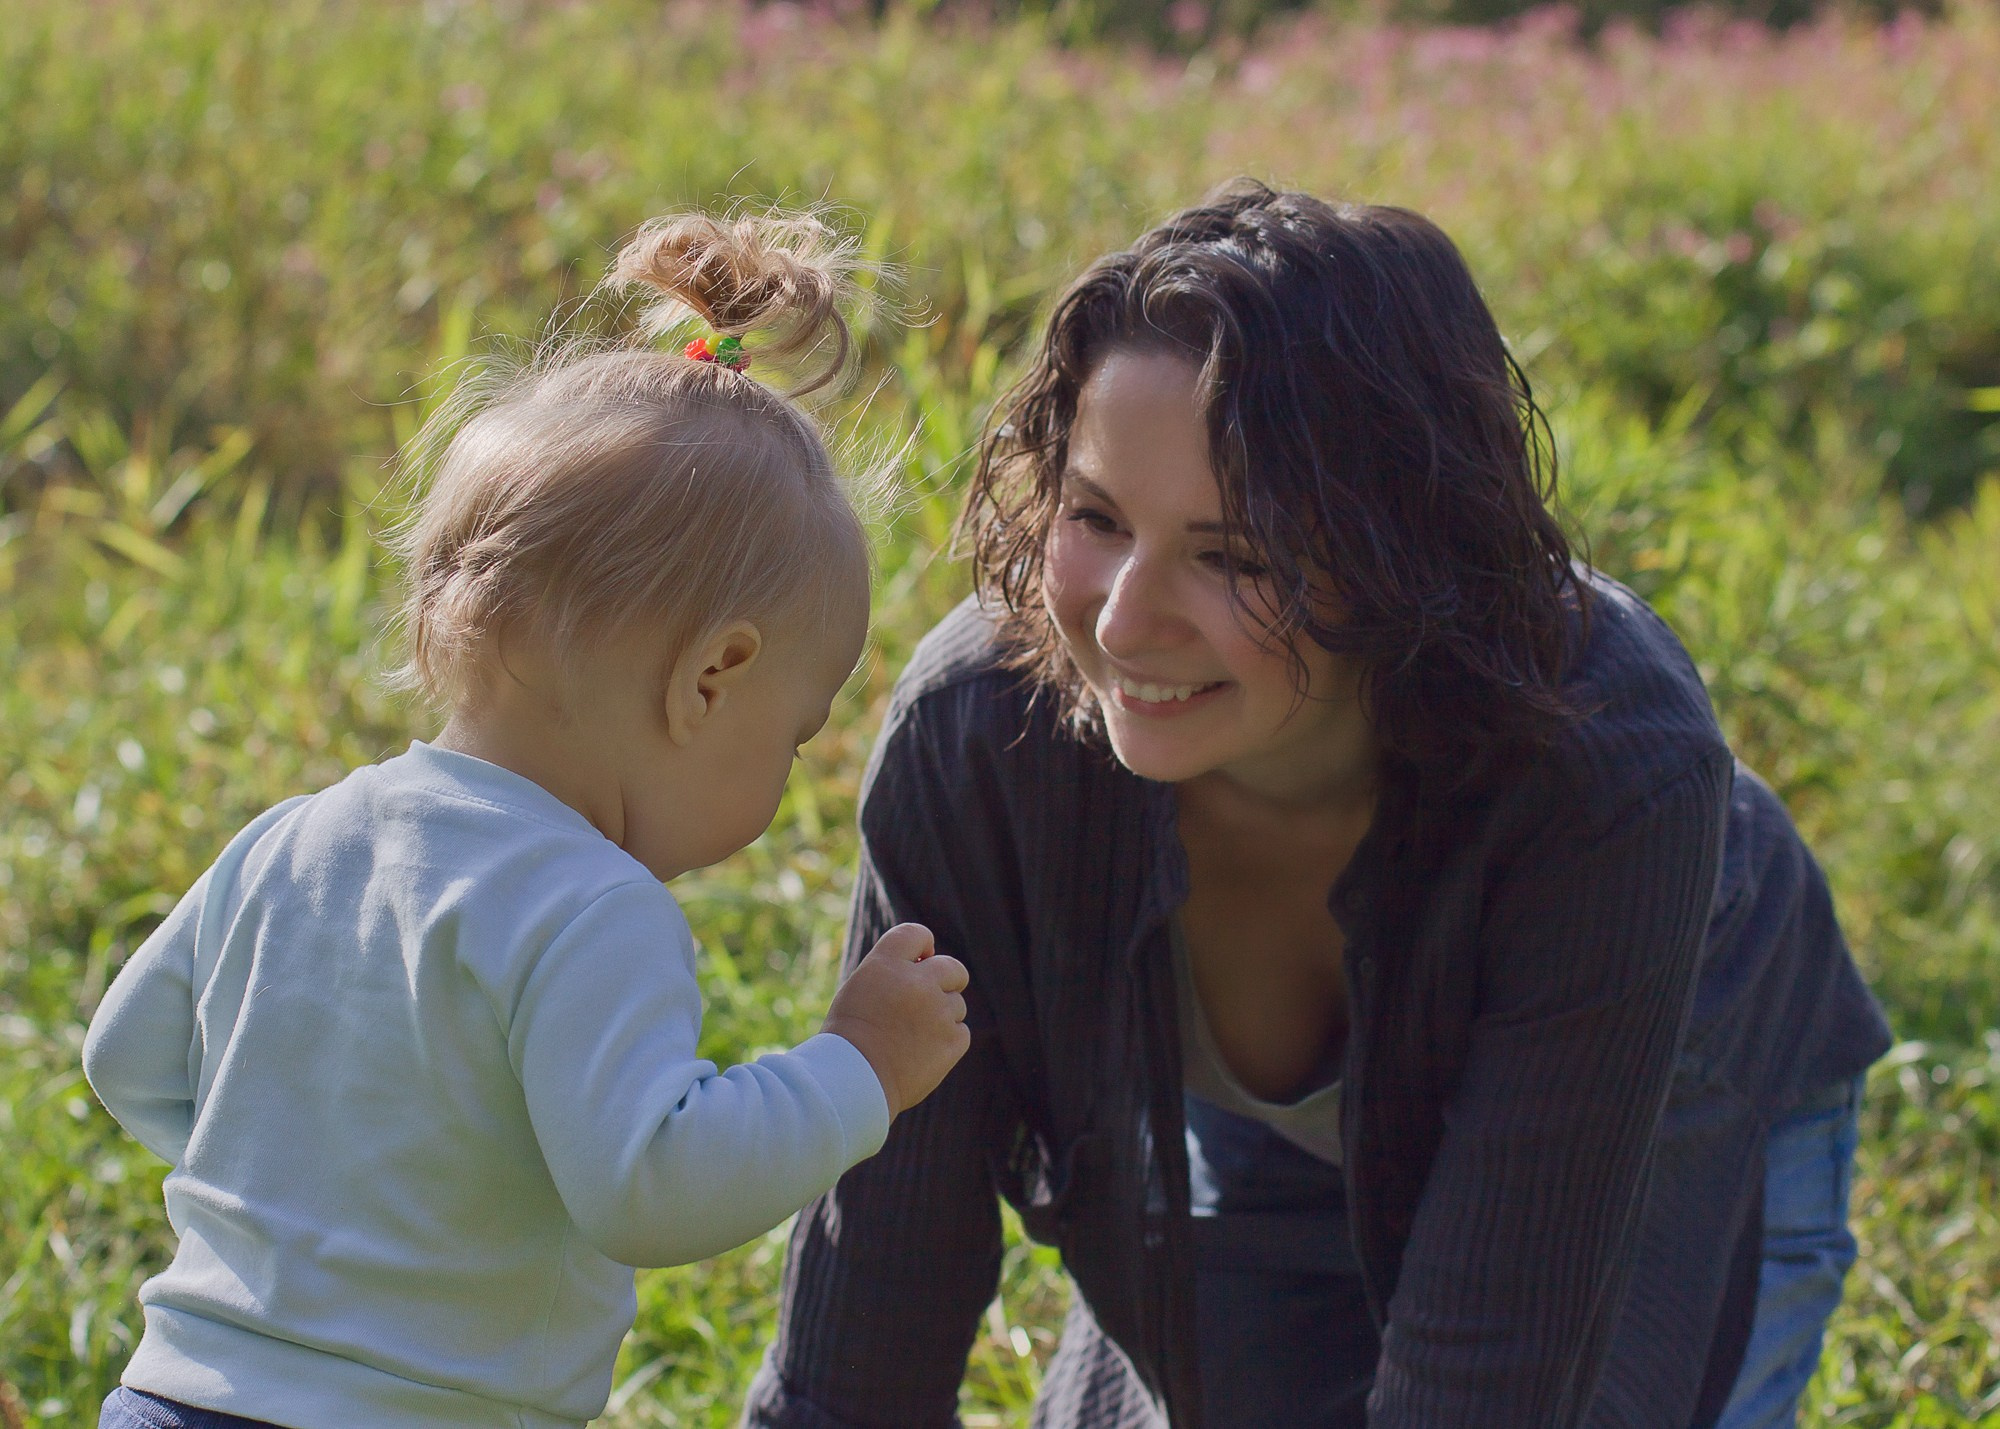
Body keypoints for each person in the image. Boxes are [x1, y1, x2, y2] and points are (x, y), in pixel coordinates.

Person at [743, 184, 1892, 1429]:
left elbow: (1490, 1374)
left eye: (1234, 555)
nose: (1124, 623)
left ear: (1402, 550)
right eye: (1096, 517)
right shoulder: (979, 735)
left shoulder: (1610, 774)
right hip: (1273, 1160)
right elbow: (875, 1289)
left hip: (1664, 1089)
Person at [80, 211, 971, 1429]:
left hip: (173, 1392)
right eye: (796, 733)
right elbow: (651, 1188)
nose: (787, 774)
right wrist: (854, 1066)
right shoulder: (591, 905)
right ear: (711, 677)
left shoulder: (294, 838)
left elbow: (125, 1057)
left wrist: (310, 1188)